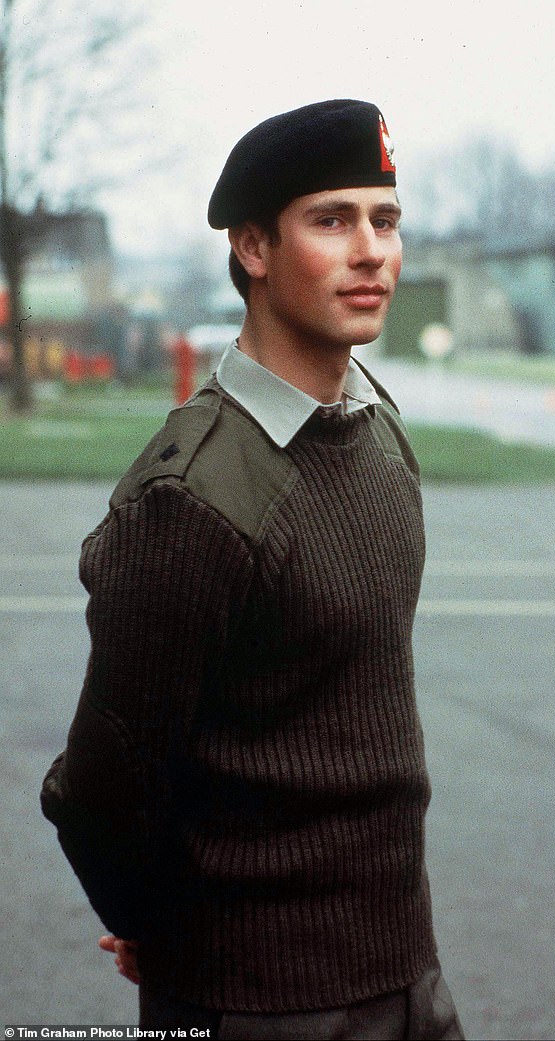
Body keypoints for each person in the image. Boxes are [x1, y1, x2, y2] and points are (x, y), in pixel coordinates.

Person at [41, 99, 464, 1040]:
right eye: (332, 219)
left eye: (384, 220)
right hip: (258, 1001)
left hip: (407, 972)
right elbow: (104, 786)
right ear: (253, 249)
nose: (372, 252)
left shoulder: (378, 429)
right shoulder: (190, 497)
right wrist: (156, 925)